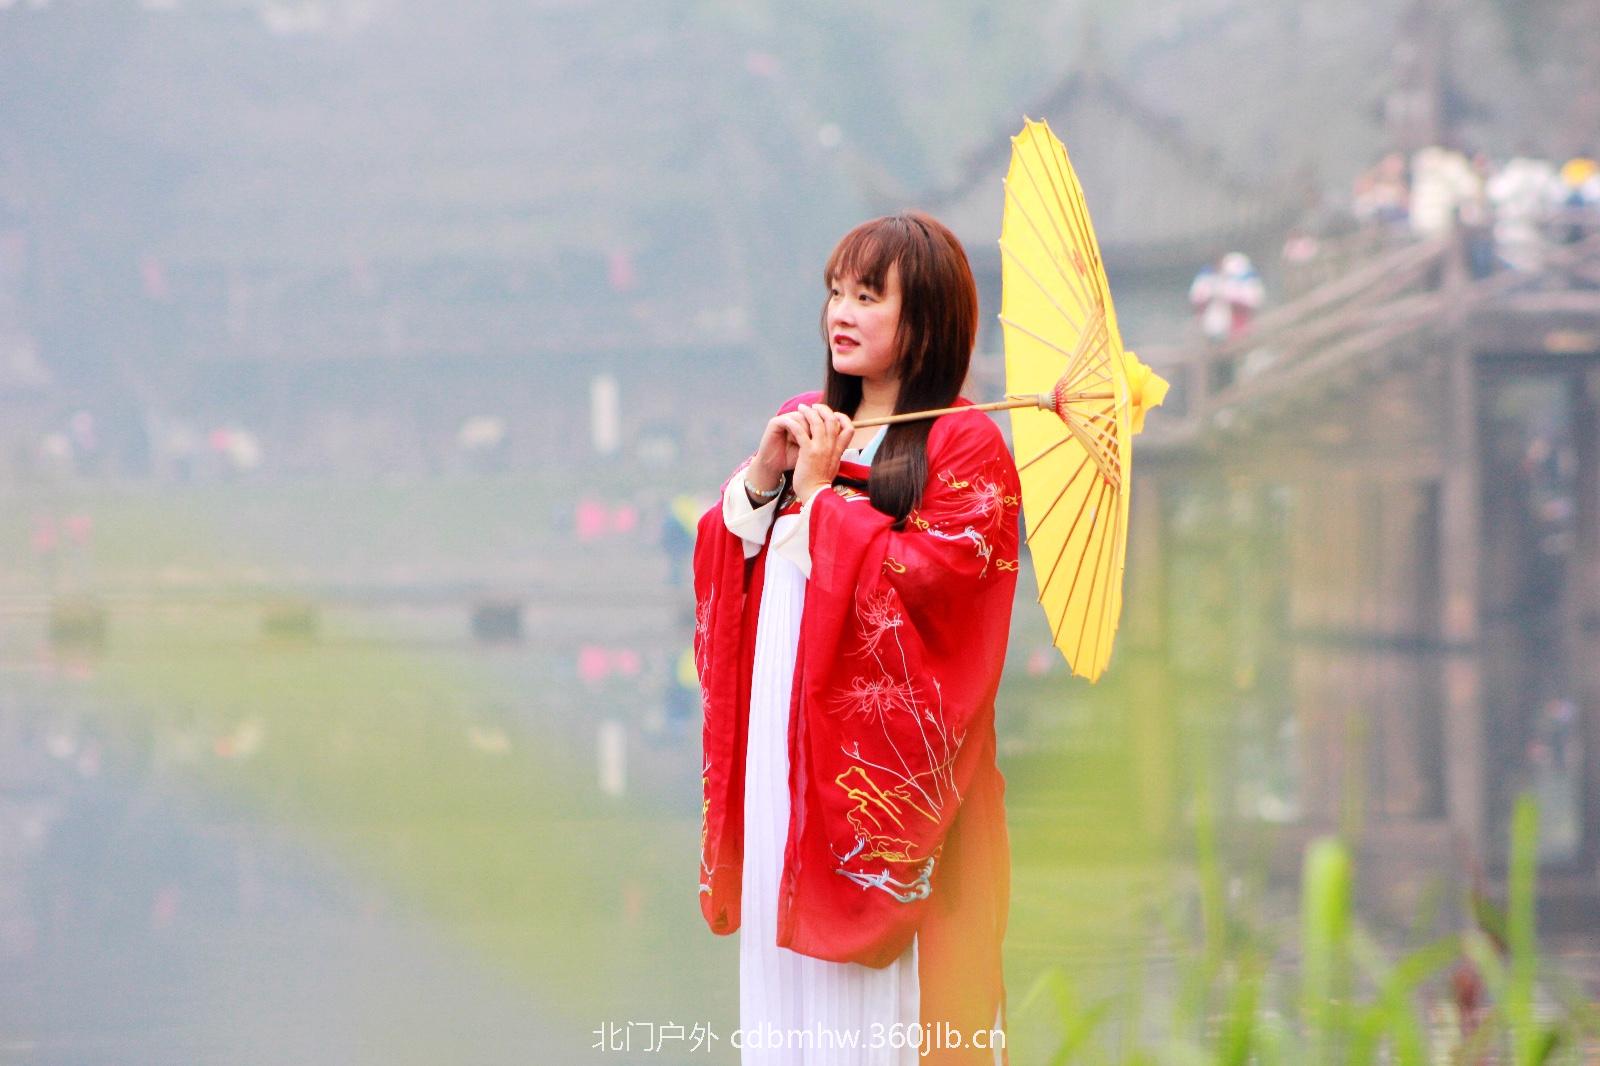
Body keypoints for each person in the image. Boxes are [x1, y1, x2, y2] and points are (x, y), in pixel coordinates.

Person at [693, 212, 1019, 1064]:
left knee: (885, 1007)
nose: (841, 312)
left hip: (876, 774)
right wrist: (765, 479)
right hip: (785, 742)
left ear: (929, 320)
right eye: (837, 291)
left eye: (870, 296)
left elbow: (946, 589)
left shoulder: (964, 442)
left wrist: (821, 500)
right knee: (786, 955)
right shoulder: (805, 422)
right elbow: (732, 561)